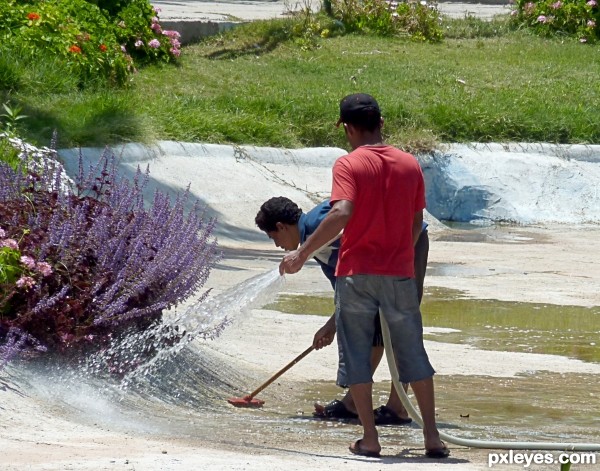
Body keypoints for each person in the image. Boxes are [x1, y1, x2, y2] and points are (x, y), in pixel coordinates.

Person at [278, 93, 449, 459]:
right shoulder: (409, 164)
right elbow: (418, 221)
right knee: (412, 353)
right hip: (399, 273)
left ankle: (370, 439)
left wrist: (301, 252)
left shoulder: (348, 164)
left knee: (357, 356)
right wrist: (400, 251)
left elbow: (341, 212)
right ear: (381, 123)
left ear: (347, 128)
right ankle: (432, 437)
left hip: (356, 273)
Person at [255, 196, 429, 425]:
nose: (277, 245)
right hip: (382, 261)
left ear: (281, 226)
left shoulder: (321, 225)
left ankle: (398, 408)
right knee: (376, 324)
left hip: (408, 241)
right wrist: (332, 325)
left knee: (397, 323)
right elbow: (346, 292)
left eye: (273, 237)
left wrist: (331, 325)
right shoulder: (315, 244)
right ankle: (353, 403)